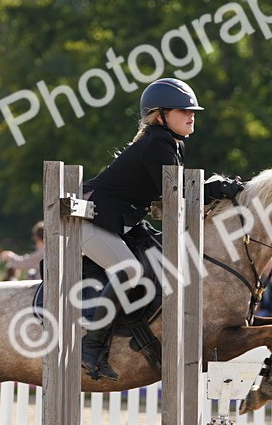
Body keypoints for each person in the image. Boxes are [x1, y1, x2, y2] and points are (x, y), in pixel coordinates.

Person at [78, 77, 201, 381]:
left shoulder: (170, 142)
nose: (191, 115)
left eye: (192, 111)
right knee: (129, 270)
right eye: (182, 110)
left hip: (114, 222)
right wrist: (219, 188)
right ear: (160, 115)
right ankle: (90, 345)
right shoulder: (157, 142)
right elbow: (179, 191)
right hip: (88, 222)